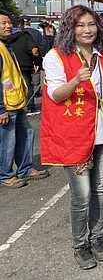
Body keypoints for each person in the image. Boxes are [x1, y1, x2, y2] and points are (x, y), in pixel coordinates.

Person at [41, 5, 103, 270]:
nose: (87, 30)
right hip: (74, 134)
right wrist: (76, 80)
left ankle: (97, 238)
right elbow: (55, 94)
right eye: (80, 25)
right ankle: (80, 245)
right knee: (82, 195)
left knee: (100, 189)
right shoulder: (56, 56)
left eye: (91, 24)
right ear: (69, 28)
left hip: (102, 130)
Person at [0, 10, 49, 189]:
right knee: (7, 141)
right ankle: (5, 175)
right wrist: (1, 109)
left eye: (9, 22)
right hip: (6, 105)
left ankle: (25, 168)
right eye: (3, 23)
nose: (8, 26)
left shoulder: (7, 46)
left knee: (26, 134)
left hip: (17, 101)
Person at [7, 20, 41, 115]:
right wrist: (37, 60)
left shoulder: (6, 37)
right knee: (28, 86)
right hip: (25, 65)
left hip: (10, 66)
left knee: (11, 86)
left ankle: (13, 106)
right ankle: (30, 107)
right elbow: (34, 51)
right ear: (20, 25)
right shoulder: (25, 36)